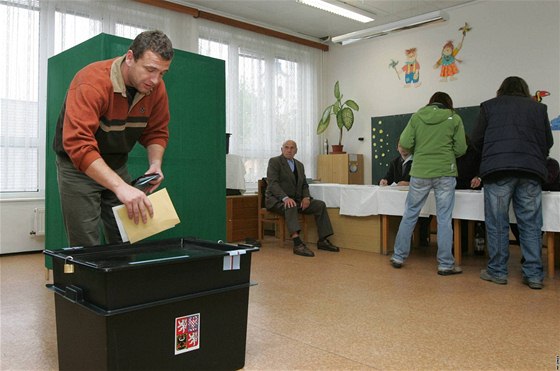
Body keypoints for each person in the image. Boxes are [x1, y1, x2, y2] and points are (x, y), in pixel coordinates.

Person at [53, 30, 174, 247]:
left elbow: (156, 131)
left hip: (116, 163)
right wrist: (121, 187)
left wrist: (155, 164)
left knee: (126, 236)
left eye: (163, 73)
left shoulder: (155, 89)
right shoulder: (91, 82)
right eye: (150, 70)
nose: (156, 80)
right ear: (130, 58)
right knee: (86, 244)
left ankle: (122, 281)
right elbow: (79, 144)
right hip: (78, 167)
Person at [471, 76, 553, 290]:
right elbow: (548, 142)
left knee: (497, 223)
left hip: (498, 171)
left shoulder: (489, 107)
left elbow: (476, 140)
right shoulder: (538, 109)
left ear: (501, 90)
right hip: (531, 171)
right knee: (531, 224)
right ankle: (534, 274)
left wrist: (493, 156)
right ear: (525, 90)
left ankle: (497, 271)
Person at [390, 92, 467, 275]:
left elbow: (405, 143)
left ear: (431, 102)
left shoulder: (417, 117)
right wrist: (446, 155)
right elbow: (462, 148)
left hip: (420, 171)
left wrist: (422, 149)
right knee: (444, 219)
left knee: (410, 214)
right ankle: (445, 264)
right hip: (445, 172)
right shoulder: (454, 118)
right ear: (448, 103)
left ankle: (398, 256)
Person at [265, 140, 340, 257]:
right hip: (277, 200)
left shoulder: (299, 165)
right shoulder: (275, 162)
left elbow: (304, 184)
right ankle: (297, 243)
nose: (289, 150)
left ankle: (323, 240)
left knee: (320, 205)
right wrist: (285, 198)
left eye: (292, 148)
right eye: (286, 147)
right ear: (282, 149)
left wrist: (306, 197)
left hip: (297, 200)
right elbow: (273, 184)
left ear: (296, 151)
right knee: (291, 205)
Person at [380, 141, 431, 247]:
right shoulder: (394, 162)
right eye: (400, 146)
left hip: (416, 195)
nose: (402, 149)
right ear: (396, 148)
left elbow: (425, 179)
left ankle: (421, 238)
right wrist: (384, 181)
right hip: (399, 198)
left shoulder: (418, 161)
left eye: (405, 146)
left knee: (423, 212)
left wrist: (408, 183)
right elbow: (388, 178)